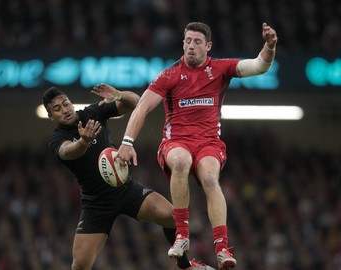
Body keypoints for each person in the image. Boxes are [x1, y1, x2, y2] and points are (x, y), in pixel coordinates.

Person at [116, 22, 278, 270]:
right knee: (181, 162)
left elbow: (259, 65)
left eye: (197, 42)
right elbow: (142, 107)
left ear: (208, 46)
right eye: (187, 41)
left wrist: (270, 46)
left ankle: (222, 248)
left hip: (209, 144)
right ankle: (182, 236)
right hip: (175, 142)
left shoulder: (221, 68)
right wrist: (127, 142)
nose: (191, 46)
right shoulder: (169, 75)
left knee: (211, 181)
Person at [42, 84, 215, 270]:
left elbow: (137, 103)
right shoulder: (57, 138)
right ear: (51, 117)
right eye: (57, 109)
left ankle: (185, 267)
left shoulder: (92, 113)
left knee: (172, 216)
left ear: (71, 103)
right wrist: (84, 141)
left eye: (66, 104)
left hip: (125, 188)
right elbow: (68, 152)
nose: (65, 110)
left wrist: (119, 95)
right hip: (96, 203)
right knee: (79, 265)